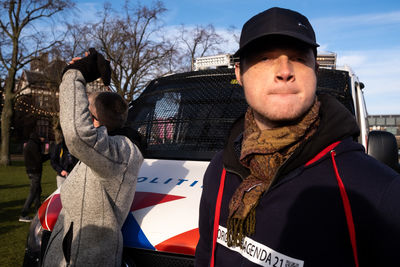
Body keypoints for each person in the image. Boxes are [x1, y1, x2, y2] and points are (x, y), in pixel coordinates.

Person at [195, 7, 400, 267]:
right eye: (265, 58)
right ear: (239, 73)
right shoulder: (219, 171)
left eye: (299, 58)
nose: (284, 71)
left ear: (316, 69)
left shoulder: (378, 194)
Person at [42, 48, 143, 266]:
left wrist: (74, 74)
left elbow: (77, 133)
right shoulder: (104, 152)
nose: (81, 115)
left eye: (87, 113)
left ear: (96, 122)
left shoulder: (120, 153)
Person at [19, 131, 50, 222]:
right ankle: (23, 214)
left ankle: (38, 212)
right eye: (44, 138)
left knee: (37, 191)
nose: (44, 140)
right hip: (34, 171)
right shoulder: (34, 145)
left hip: (31, 170)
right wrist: (49, 156)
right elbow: (39, 159)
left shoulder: (31, 143)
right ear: (40, 137)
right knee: (33, 192)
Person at [50, 120, 78, 188]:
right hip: (62, 176)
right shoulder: (58, 146)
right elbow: (53, 161)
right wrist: (61, 170)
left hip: (74, 175)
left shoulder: (74, 145)